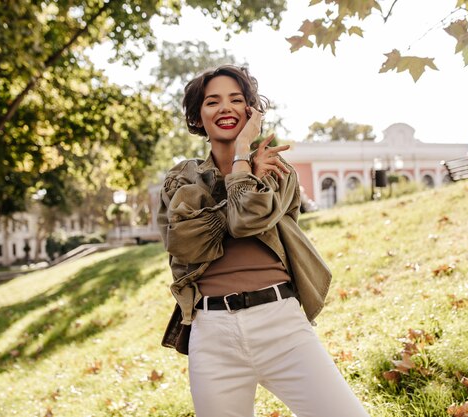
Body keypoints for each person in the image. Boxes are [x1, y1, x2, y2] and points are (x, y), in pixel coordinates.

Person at [157, 64, 369, 417]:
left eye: (236, 99)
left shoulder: (275, 167)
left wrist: (242, 155)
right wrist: (243, 179)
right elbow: (186, 243)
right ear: (198, 116)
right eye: (212, 101)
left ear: (251, 111)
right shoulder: (183, 177)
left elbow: (247, 221)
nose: (225, 108)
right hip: (212, 335)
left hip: (281, 325)